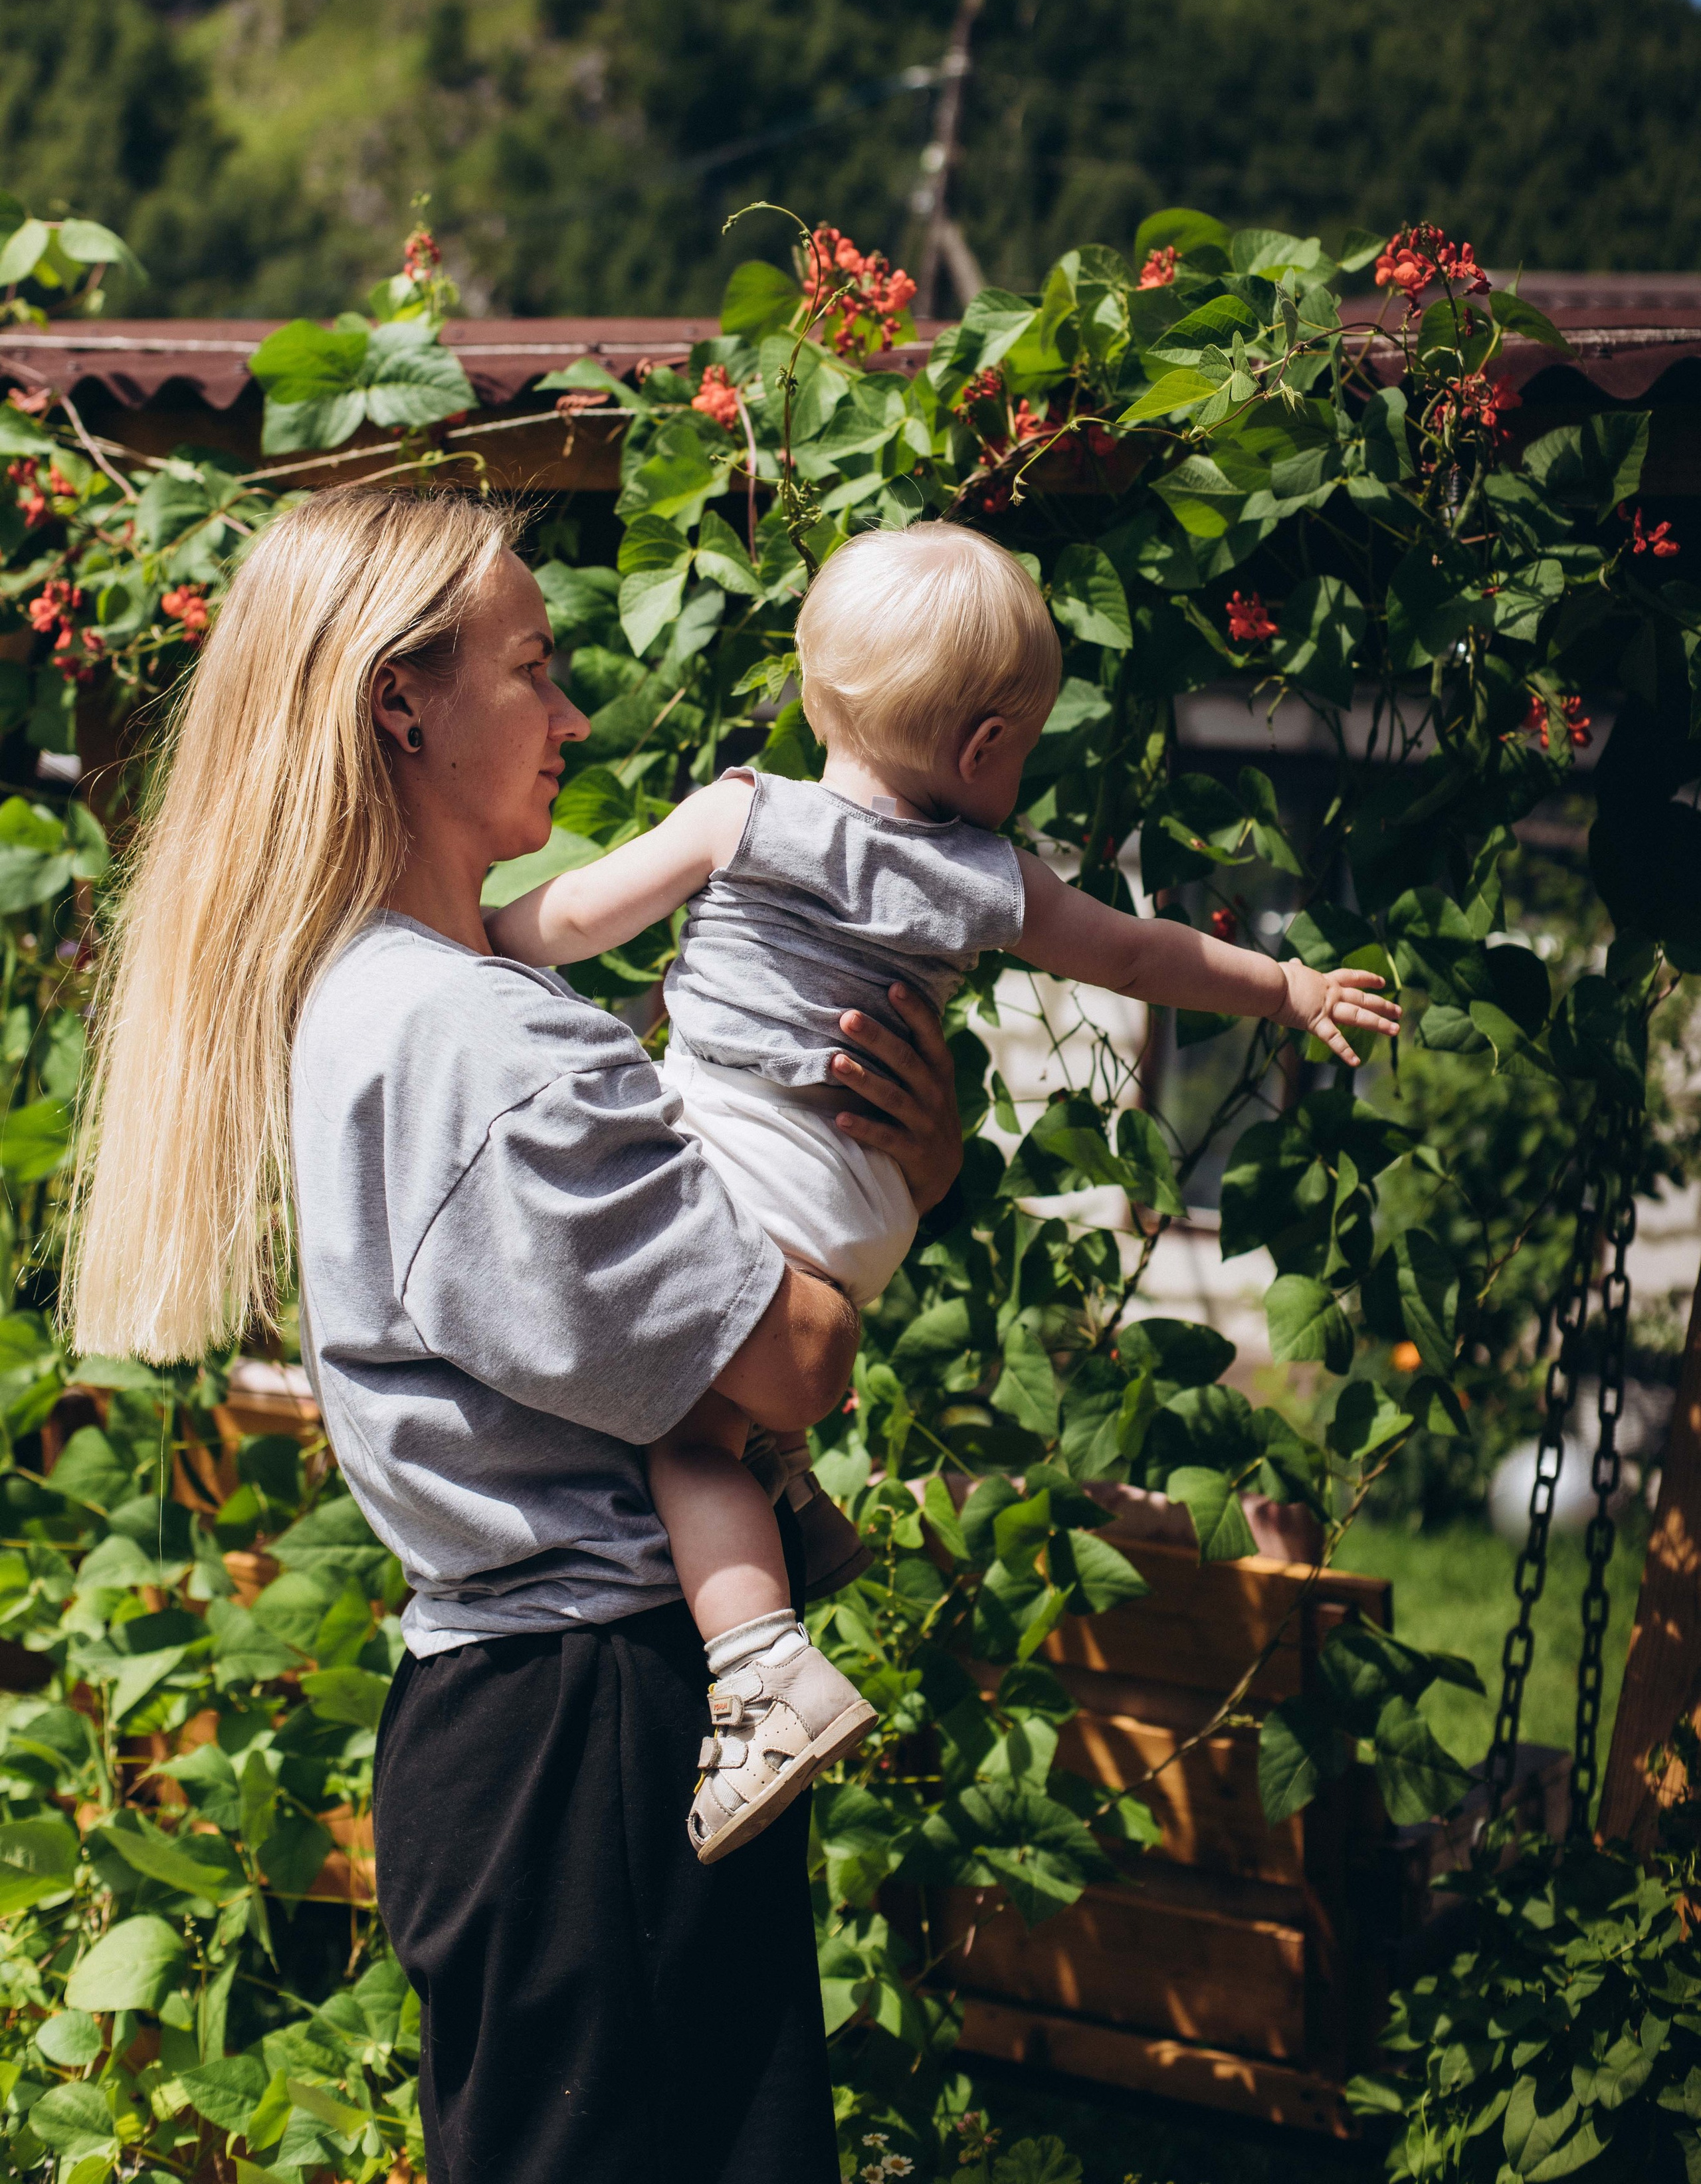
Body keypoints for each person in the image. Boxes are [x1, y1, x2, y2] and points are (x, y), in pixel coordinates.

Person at [66, 486, 964, 2183]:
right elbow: (790, 1362)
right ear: (400, 701)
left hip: (537, 1728)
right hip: (592, 1742)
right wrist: (898, 1181)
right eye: (533, 669)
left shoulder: (403, 1000)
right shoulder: (468, 1039)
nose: (572, 715)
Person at [490, 521, 1401, 1860]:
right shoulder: (990, 879)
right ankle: (796, 1499)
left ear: (813, 696)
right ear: (984, 751)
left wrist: (467, 938)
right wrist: (1284, 985)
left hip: (738, 1174)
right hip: (861, 1203)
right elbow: (1143, 957)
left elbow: (572, 921)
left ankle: (760, 1666)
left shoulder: (747, 812)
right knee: (732, 1410)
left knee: (681, 1438)